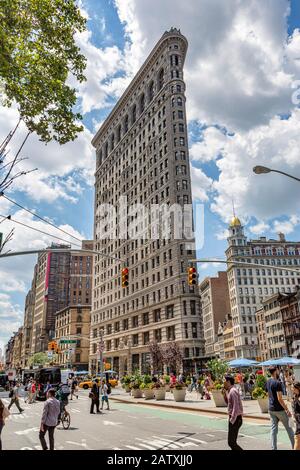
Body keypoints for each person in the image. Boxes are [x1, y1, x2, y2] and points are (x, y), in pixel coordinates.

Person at [266, 367, 294, 450]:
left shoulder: (268, 382)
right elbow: (280, 399)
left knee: (274, 429)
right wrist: (287, 409)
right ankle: (295, 447)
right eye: (277, 370)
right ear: (275, 371)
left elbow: (268, 395)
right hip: (279, 409)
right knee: (289, 429)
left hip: (271, 409)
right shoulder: (277, 383)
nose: (278, 371)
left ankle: (273, 448)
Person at [223, 375, 243, 450]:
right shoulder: (230, 391)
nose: (224, 383)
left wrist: (232, 419)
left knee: (231, 442)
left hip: (235, 418)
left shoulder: (233, 391)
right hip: (234, 418)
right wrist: (225, 393)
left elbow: (236, 407)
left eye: (225, 381)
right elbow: (228, 403)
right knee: (231, 442)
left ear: (228, 382)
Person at [292, 382, 300, 450]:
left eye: (294, 388)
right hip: (297, 421)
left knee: (297, 438)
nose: (292, 389)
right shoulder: (295, 396)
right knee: (297, 439)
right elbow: (294, 409)